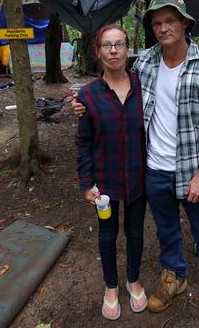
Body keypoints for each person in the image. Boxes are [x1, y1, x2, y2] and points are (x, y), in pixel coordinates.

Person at [74, 0, 199, 328]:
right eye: (157, 23)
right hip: (154, 170)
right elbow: (111, 90)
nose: (164, 28)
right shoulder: (146, 64)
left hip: (192, 170)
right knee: (167, 232)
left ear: (184, 23)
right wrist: (81, 105)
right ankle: (174, 275)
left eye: (171, 21)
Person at [75, 25, 148, 321]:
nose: (114, 50)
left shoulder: (145, 86)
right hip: (104, 183)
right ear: (98, 52)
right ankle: (111, 286)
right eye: (107, 45)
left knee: (135, 232)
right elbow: (83, 141)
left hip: (139, 178)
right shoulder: (88, 95)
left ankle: (133, 279)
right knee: (108, 234)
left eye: (119, 44)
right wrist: (85, 182)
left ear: (128, 49)